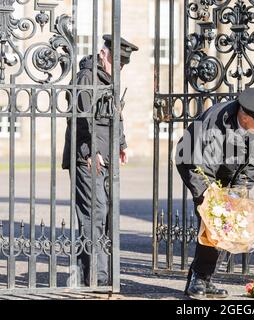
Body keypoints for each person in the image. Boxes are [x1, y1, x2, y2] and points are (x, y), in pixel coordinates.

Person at [176, 88, 254, 299]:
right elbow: (201, 166)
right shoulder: (216, 123)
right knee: (213, 221)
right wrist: (212, 199)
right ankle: (198, 279)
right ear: (244, 116)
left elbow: (253, 165)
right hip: (195, 164)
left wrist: (238, 195)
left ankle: (204, 279)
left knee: (228, 222)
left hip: (227, 170)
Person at [62, 35, 138, 286]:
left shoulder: (110, 79)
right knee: (94, 213)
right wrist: (93, 150)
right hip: (87, 157)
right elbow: (81, 118)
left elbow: (116, 115)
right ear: (103, 53)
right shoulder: (87, 77)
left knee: (105, 213)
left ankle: (96, 272)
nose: (119, 68)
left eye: (122, 65)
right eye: (116, 61)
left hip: (106, 156)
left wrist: (121, 145)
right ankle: (96, 275)